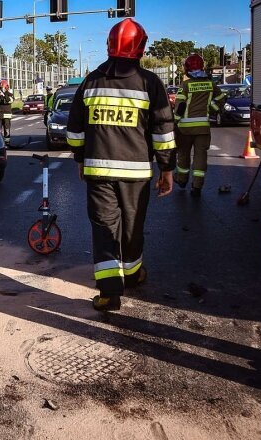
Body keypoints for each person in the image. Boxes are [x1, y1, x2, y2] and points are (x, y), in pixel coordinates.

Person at [66, 18, 176, 312]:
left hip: (98, 173)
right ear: (140, 48)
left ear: (109, 45)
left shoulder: (91, 81)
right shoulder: (150, 83)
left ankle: (109, 293)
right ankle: (132, 274)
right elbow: (163, 132)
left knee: (104, 229)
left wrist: (80, 158)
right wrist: (167, 169)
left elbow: (74, 130)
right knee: (132, 227)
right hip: (137, 174)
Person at [172, 53, 225, 197]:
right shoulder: (210, 84)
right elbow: (221, 100)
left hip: (185, 129)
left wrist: (175, 122)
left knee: (183, 155)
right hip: (203, 128)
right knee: (200, 156)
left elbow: (180, 106)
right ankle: (197, 187)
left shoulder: (186, 85)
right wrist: (210, 108)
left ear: (187, 69)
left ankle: (182, 180)